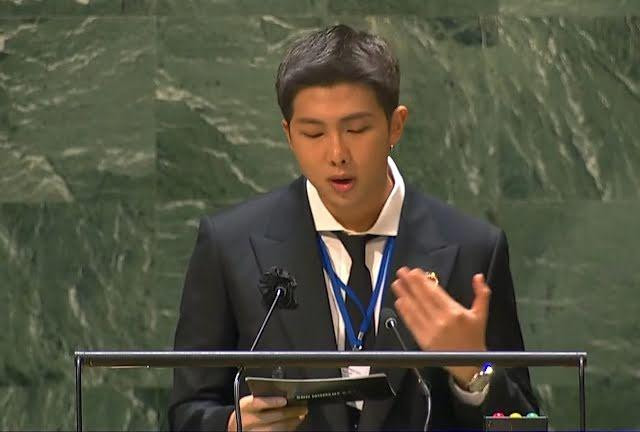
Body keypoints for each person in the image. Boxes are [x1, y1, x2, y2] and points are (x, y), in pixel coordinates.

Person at [169, 24, 538, 431]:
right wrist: (232, 426)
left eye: (357, 130)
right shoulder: (231, 245)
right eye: (313, 133)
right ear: (288, 135)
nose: (337, 154)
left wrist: (474, 369)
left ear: (395, 125)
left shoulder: (472, 249)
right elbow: (187, 412)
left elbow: (525, 423)